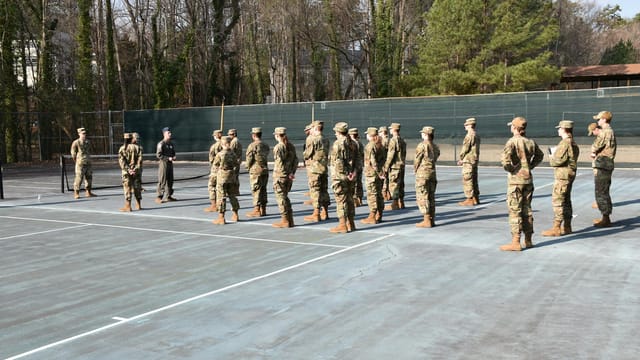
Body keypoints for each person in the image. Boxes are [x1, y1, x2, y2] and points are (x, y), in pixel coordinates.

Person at [499, 117, 544, 251]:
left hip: (516, 181)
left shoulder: (512, 142)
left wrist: (512, 169)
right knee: (527, 210)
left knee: (515, 211)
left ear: (514, 128)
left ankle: (516, 241)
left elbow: (505, 161)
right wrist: (529, 166)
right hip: (528, 180)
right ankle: (528, 240)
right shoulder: (530, 142)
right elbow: (540, 156)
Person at [542, 120, 579, 237]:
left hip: (563, 176)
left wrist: (551, 156)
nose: (558, 130)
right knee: (566, 201)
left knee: (558, 201)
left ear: (564, 129)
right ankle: (567, 226)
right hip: (569, 175)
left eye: (559, 128)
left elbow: (557, 161)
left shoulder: (564, 143)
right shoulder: (573, 143)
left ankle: (556, 228)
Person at [590, 110, 616, 227]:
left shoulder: (605, 132)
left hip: (603, 162)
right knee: (604, 190)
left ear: (604, 119)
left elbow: (596, 146)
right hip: (606, 163)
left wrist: (593, 151)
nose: (597, 121)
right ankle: (605, 216)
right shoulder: (610, 131)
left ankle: (606, 218)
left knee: (601, 191)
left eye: (599, 119)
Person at [329, 122, 356, 233]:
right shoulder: (352, 143)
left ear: (339, 132)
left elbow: (338, 161)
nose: (335, 133)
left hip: (340, 176)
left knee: (341, 200)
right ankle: (351, 223)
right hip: (350, 176)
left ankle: (342, 225)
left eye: (336, 131)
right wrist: (353, 172)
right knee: (349, 199)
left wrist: (344, 173)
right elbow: (358, 159)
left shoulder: (338, 144)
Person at [303, 121, 330, 223]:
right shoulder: (325, 139)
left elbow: (307, 154)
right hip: (323, 168)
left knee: (315, 190)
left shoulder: (313, 139)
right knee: (324, 190)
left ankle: (316, 213)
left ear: (315, 128)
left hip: (314, 168)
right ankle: (325, 212)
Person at [414, 126, 440, 227]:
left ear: (425, 134)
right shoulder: (435, 146)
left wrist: (416, 169)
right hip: (432, 173)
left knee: (422, 196)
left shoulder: (422, 145)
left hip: (423, 174)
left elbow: (417, 160)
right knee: (431, 196)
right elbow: (437, 155)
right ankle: (431, 219)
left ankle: (426, 219)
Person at [272, 127, 298, 228]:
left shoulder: (278, 147)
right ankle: (290, 220)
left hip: (280, 176)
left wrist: (283, 173)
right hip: (288, 176)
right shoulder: (290, 146)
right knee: (285, 198)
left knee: (281, 198)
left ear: (277, 136)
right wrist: (291, 173)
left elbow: (279, 164)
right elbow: (295, 161)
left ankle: (285, 220)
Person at [212, 136, 240, 225]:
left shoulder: (220, 154)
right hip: (231, 176)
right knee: (232, 196)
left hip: (222, 177)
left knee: (221, 197)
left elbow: (215, 165)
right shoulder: (233, 154)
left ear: (222, 144)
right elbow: (237, 164)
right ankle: (235, 214)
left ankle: (221, 217)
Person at [361, 127, 385, 224]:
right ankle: (379, 214)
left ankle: (372, 215)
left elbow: (373, 162)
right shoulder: (380, 145)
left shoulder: (370, 146)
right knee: (379, 194)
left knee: (372, 195)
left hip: (372, 174)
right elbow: (383, 160)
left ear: (370, 135)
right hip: (379, 174)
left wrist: (378, 172)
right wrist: (382, 173)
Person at [245, 127, 270, 217]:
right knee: (263, 189)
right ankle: (263, 209)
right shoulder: (265, 145)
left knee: (256, 190)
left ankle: (256, 210)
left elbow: (249, 159)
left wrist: (247, 167)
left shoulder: (252, 146)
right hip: (265, 170)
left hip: (256, 170)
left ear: (254, 135)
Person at [457, 117, 480, 206]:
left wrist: (461, 158)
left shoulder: (469, 135)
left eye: (466, 125)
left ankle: (469, 199)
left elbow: (465, 148)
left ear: (470, 125)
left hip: (468, 160)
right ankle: (475, 198)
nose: (465, 126)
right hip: (474, 160)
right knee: (474, 179)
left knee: (467, 179)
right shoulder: (476, 135)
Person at [383, 122, 407, 210]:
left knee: (394, 184)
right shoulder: (402, 140)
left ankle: (395, 203)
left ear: (393, 130)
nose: (389, 130)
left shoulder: (393, 140)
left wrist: (386, 167)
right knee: (401, 184)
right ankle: (401, 202)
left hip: (395, 166)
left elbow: (390, 155)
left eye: (390, 129)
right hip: (401, 165)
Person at [118, 133, 143, 211]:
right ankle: (138, 205)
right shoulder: (139, 148)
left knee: (127, 188)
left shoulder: (123, 148)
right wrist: (135, 169)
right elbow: (140, 160)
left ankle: (128, 206)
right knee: (137, 187)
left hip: (127, 172)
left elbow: (121, 161)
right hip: (137, 171)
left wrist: (128, 169)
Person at [70, 127, 96, 199]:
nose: (84, 135)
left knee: (89, 178)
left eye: (85, 133)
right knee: (79, 178)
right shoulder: (76, 142)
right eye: (83, 134)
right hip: (80, 163)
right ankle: (76, 193)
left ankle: (88, 192)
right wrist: (77, 161)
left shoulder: (88, 142)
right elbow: (73, 153)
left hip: (88, 162)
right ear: (79, 134)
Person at [204, 130, 223, 212]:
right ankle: (220, 204)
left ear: (216, 136)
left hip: (215, 169)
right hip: (223, 169)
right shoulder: (226, 145)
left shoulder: (214, 146)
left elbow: (211, 159)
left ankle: (214, 205)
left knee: (211, 186)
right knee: (220, 187)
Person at [156, 127, 176, 203]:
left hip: (170, 164)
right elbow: (159, 155)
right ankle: (159, 196)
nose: (170, 134)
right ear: (164, 134)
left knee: (170, 180)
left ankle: (168, 196)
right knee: (162, 180)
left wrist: (174, 156)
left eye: (170, 133)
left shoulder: (171, 144)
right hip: (163, 164)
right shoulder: (161, 144)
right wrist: (168, 158)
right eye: (168, 133)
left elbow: (173, 152)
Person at [349, 128, 365, 207]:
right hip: (360, 165)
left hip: (354, 165)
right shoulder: (360, 143)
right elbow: (362, 154)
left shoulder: (352, 144)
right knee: (359, 183)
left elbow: (352, 157)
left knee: (353, 183)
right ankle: (360, 199)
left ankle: (355, 200)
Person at [587, 123, 601, 209]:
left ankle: (599, 202)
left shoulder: (601, 137)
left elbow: (596, 148)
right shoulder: (600, 137)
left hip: (600, 164)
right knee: (599, 183)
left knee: (600, 184)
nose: (592, 134)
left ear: (596, 129)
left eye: (592, 132)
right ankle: (599, 201)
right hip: (598, 163)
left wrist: (593, 153)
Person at [378, 126, 392, 201]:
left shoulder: (384, 141)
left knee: (384, 178)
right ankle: (388, 193)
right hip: (387, 161)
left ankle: (385, 194)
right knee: (387, 177)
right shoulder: (389, 140)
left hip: (383, 161)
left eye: (380, 132)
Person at [228, 128, 242, 196]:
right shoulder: (237, 141)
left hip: (234, 161)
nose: (229, 136)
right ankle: (236, 191)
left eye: (230, 134)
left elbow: (230, 151)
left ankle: (234, 191)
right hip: (237, 161)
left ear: (234, 134)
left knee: (233, 177)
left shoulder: (234, 141)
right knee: (236, 176)